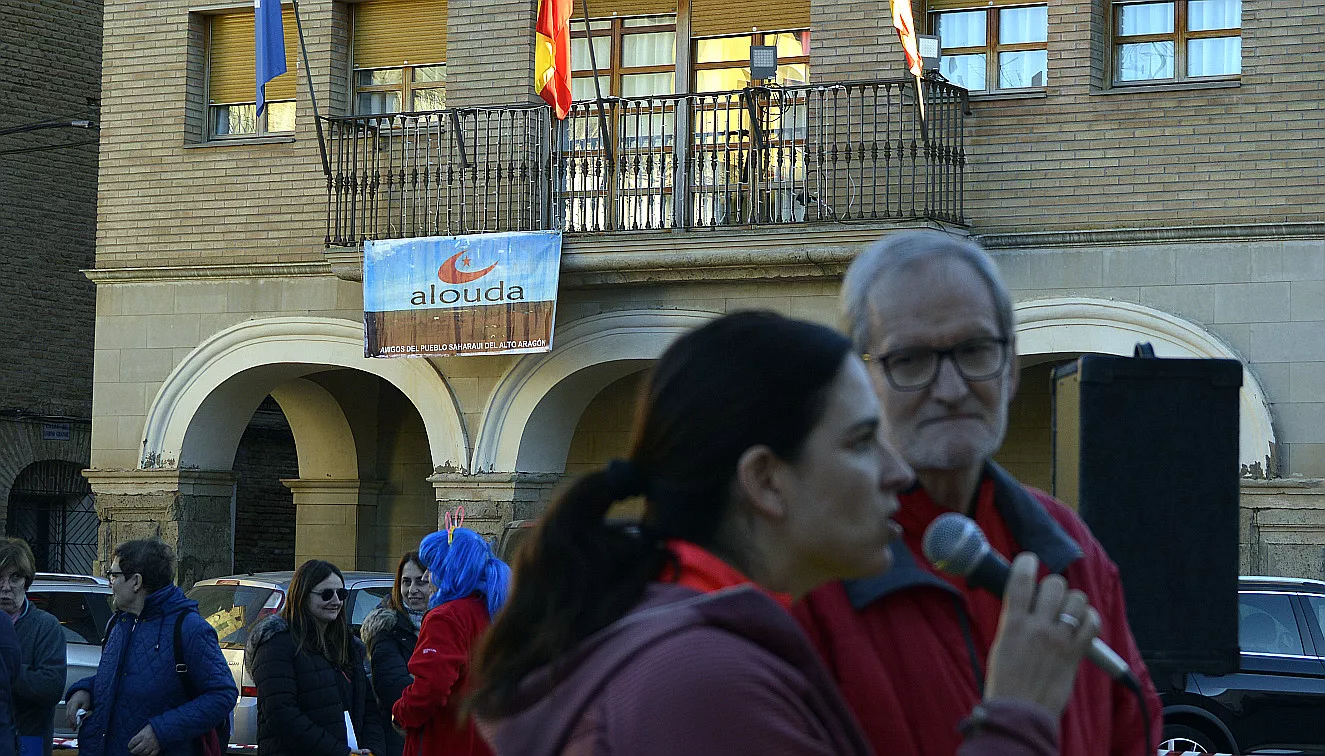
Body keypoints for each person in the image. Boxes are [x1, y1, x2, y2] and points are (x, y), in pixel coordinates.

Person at [468, 310, 1102, 756]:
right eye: (860, 443)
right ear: (767, 480)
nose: (898, 472)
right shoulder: (699, 681)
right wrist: (1018, 717)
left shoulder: (701, 648)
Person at [792, 231, 1163, 756]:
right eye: (912, 360)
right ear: (860, 382)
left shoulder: (1072, 550)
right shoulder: (812, 573)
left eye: (974, 350)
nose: (950, 389)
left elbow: (1134, 732)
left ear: (1011, 369)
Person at [65, 539, 237, 756]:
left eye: (114, 575)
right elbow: (123, 676)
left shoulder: (189, 628)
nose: (110, 583)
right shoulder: (119, 623)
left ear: (136, 582)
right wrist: (87, 689)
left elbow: (223, 694)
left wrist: (162, 731)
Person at [246, 559, 386, 756]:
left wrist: (372, 750)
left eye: (341, 593)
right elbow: (282, 714)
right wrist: (339, 752)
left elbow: (368, 707)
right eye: (326, 594)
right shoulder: (276, 644)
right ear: (302, 596)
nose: (336, 601)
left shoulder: (348, 646)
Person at [392, 528, 508, 756]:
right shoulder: (494, 611)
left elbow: (431, 687)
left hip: (446, 741)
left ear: (449, 569)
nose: (426, 577)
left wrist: (400, 713)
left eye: (431, 568)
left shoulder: (445, 617)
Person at [362, 552, 432, 756]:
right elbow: (394, 690)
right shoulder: (386, 630)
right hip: (400, 742)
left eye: (421, 581)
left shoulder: (445, 626)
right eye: (406, 582)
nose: (412, 590)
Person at [0, 538, 65, 756]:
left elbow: (51, 687)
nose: (5, 587)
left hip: (28, 741)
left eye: (14, 577)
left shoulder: (45, 626)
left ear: (26, 581)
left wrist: (7, 670)